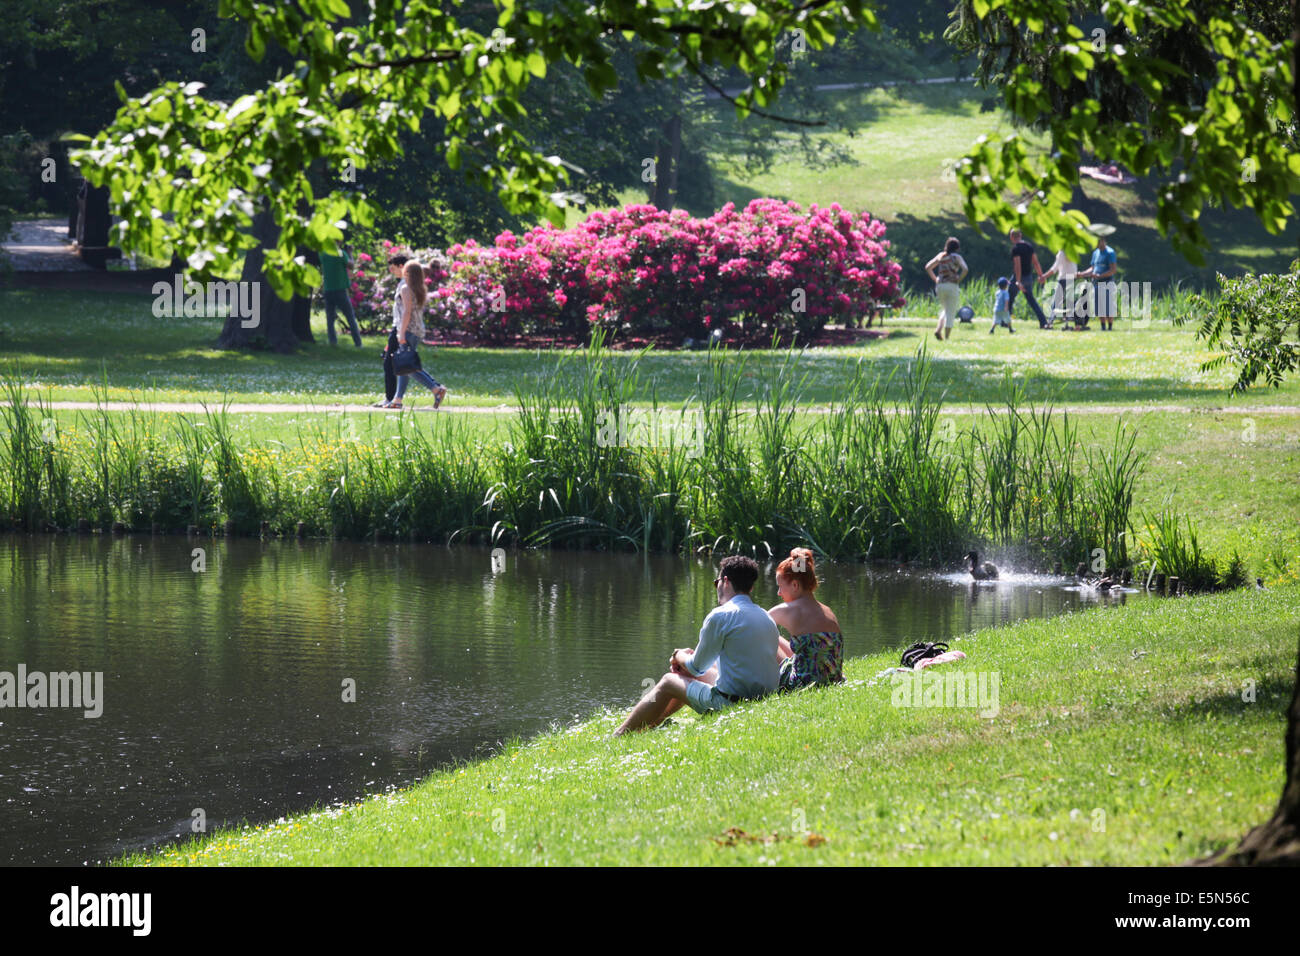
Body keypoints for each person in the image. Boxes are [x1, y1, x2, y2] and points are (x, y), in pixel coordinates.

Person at [614, 555, 779, 735]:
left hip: (732, 704)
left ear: (725, 581)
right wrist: (686, 663)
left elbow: (696, 668)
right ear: (751, 587)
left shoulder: (721, 615)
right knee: (685, 671)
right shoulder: (766, 616)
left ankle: (620, 734)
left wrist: (678, 655)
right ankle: (646, 726)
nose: (717, 588)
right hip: (762, 701)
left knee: (669, 681)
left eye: (716, 583)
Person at [767, 548, 844, 690]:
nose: (778, 593)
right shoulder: (828, 611)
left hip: (802, 684)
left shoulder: (786, 610)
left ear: (795, 585)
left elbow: (753, 627)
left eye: (780, 587)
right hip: (833, 681)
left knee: (763, 635)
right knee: (775, 637)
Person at [377, 258, 448, 410]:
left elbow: (406, 312)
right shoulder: (419, 288)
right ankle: (398, 399)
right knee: (404, 364)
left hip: (407, 330)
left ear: (407, 272)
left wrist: (401, 334)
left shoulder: (405, 288)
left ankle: (436, 388)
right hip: (417, 330)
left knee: (407, 365)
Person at [925, 237, 968, 341]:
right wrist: (959, 279)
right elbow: (965, 269)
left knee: (945, 309)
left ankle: (938, 330)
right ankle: (947, 337)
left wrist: (935, 279)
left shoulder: (941, 256)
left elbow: (928, 267)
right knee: (951, 311)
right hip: (952, 285)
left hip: (940, 286)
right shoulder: (957, 257)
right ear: (957, 248)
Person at [320, 243, 363, 347]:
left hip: (328, 289)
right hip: (340, 290)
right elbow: (351, 265)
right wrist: (350, 253)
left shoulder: (322, 253)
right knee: (350, 317)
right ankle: (358, 343)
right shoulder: (341, 254)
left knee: (330, 318)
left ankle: (332, 342)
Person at [1007, 229, 1049, 327]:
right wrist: (1041, 275)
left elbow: (1017, 265)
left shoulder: (1016, 249)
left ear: (1011, 237)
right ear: (1020, 235)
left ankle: (1006, 321)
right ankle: (1043, 322)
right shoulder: (1029, 246)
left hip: (1019, 278)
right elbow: (1035, 262)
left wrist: (1018, 281)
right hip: (1028, 277)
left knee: (1009, 298)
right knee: (1031, 301)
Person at [1078, 236, 1119, 331]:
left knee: (1108, 306)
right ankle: (1103, 327)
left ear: (1104, 241)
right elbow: (1092, 268)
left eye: (1099, 242)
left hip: (1107, 282)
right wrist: (1082, 274)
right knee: (1100, 306)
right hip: (1096, 283)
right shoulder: (1095, 253)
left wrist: (1100, 276)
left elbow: (1113, 270)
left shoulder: (1110, 253)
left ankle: (1110, 327)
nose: (1098, 244)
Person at [1039, 248, 1078, 328]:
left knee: (1057, 302)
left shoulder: (1062, 252)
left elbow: (1054, 268)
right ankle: (1073, 323)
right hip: (1071, 278)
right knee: (1069, 303)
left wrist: (1044, 276)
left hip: (1063, 279)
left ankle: (1050, 322)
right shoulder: (1072, 250)